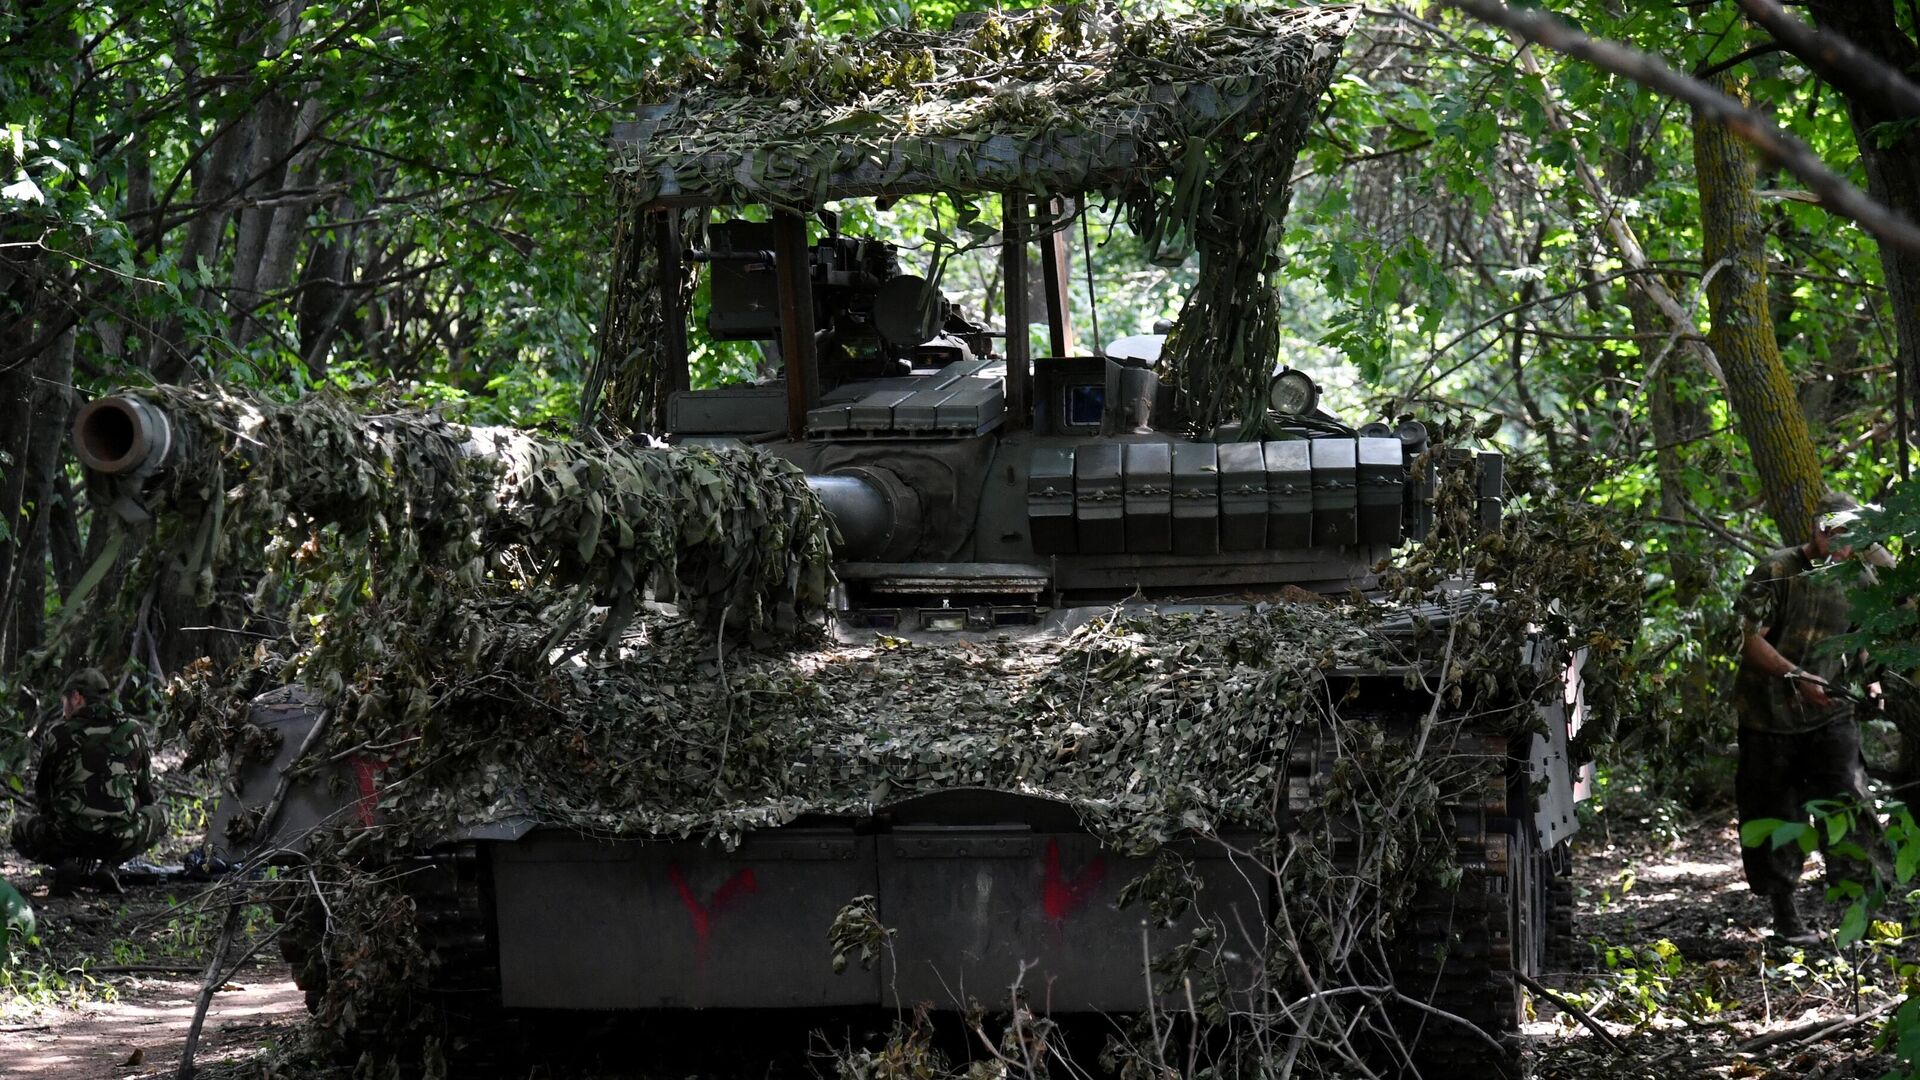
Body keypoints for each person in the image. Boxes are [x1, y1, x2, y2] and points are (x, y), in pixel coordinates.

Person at [1734, 492, 1887, 945]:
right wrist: (1796, 676)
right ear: (1818, 532)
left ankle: (1860, 914)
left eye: (1850, 539)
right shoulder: (1776, 572)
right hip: (1769, 718)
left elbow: (1863, 639)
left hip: (1832, 715)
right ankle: (1786, 915)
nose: (1841, 547)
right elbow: (1747, 641)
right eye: (1835, 536)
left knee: (1850, 804)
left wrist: (1870, 683)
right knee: (1777, 814)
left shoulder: (1860, 575)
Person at [8, 668, 165, 893]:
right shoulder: (134, 730)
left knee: (19, 831)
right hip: (118, 837)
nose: (64, 710)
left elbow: (44, 797)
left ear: (76, 697)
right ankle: (110, 866)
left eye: (64, 701)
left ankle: (65, 864)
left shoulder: (58, 733)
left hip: (68, 835)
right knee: (162, 815)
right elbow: (145, 794)